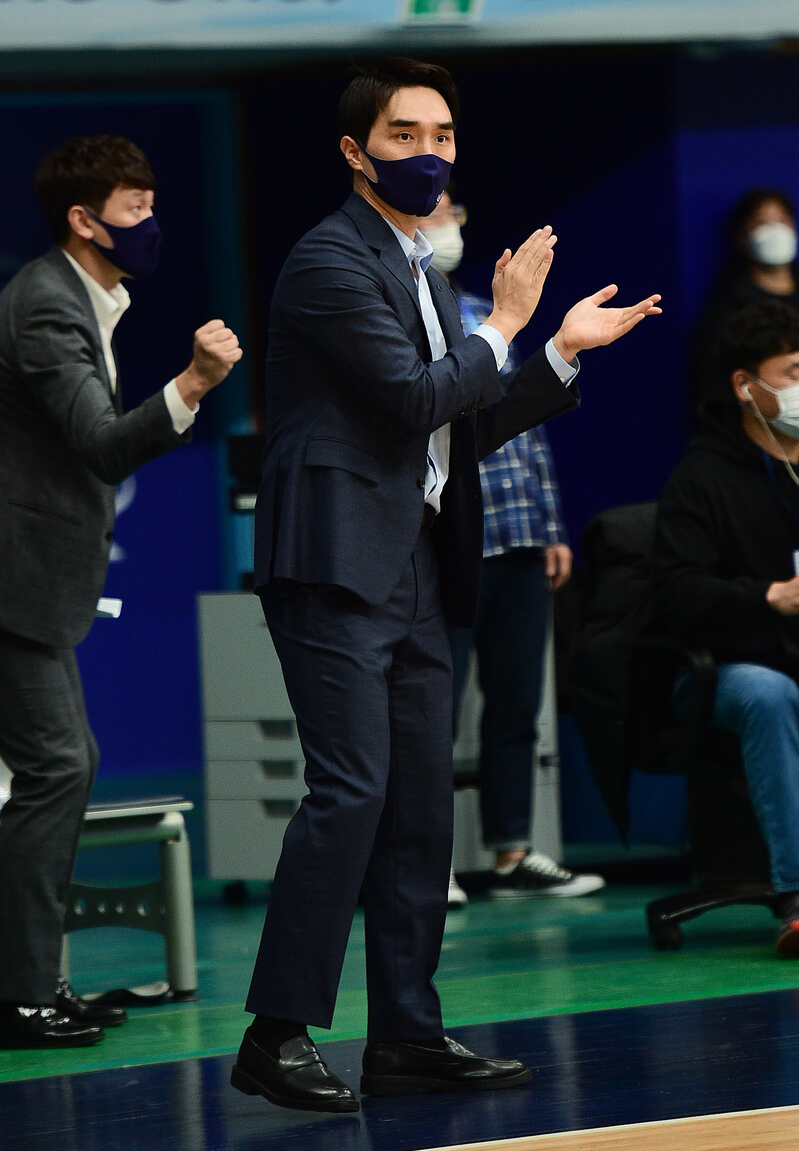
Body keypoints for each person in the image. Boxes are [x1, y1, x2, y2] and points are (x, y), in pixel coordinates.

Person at [234, 57, 660, 1115]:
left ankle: (406, 1033)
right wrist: (504, 322)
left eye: (443, 136)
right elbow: (411, 396)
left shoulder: (422, 269)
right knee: (351, 792)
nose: (428, 153)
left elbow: (456, 425)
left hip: (418, 560)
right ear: (355, 151)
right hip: (333, 560)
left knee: (422, 805)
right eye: (404, 135)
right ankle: (275, 1034)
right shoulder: (328, 260)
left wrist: (555, 352)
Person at [0, 135, 242, 1049]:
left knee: (61, 766)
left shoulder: (82, 296)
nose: (150, 223)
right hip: (13, 579)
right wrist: (195, 383)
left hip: (31, 580)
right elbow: (101, 444)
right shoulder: (46, 305)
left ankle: (36, 983)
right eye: (134, 210)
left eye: (149, 204)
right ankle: (21, 994)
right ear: (83, 220)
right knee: (59, 766)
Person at [417, 192, 605, 904]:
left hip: (520, 532)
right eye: (435, 210)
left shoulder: (488, 312)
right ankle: (424, 860)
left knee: (517, 704)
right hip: (453, 536)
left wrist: (550, 526)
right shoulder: (411, 313)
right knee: (432, 705)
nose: (448, 222)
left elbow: (531, 426)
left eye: (454, 210)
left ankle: (512, 851)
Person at [652, 299, 799, 957]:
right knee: (769, 695)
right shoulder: (701, 476)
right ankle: (796, 896)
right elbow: (673, 593)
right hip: (719, 667)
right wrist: (767, 596)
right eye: (793, 371)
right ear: (745, 385)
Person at [692, 188, 799, 403]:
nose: (775, 230)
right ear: (741, 236)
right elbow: (713, 388)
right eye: (761, 222)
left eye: (782, 220)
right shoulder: (727, 309)